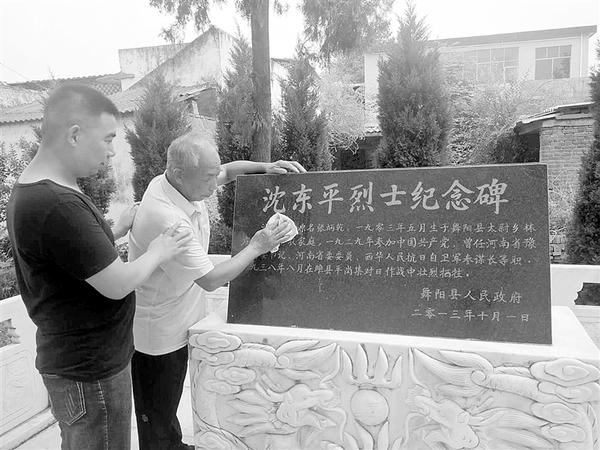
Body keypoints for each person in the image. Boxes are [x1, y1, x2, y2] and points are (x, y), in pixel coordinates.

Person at [6, 84, 193, 450]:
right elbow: (117, 283)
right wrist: (159, 250)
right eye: (108, 139)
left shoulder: (39, 190)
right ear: (75, 134)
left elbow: (72, 255)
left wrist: (114, 230)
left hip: (80, 364)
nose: (111, 151)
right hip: (91, 373)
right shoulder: (57, 204)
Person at [128, 133, 305, 450]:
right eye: (208, 178)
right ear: (180, 174)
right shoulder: (168, 219)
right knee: (157, 411)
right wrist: (257, 246)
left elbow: (228, 170)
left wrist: (265, 166)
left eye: (214, 175)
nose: (215, 184)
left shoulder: (176, 181)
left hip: (181, 313)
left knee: (167, 406)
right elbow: (211, 279)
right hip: (158, 331)